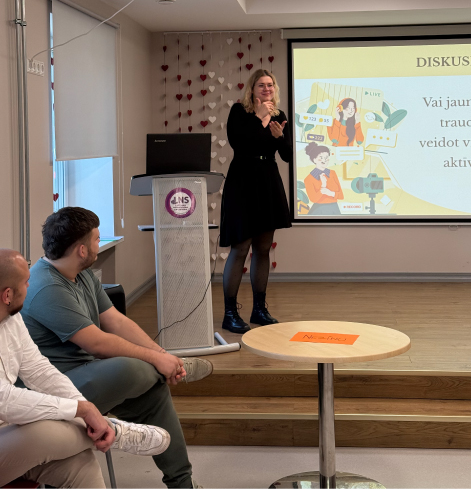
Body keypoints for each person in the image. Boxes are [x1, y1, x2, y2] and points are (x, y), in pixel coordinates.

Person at [21, 207, 212, 489]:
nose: (99, 244)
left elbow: (116, 321)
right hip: (55, 388)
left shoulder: (82, 274)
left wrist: (161, 355)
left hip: (87, 372)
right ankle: (174, 368)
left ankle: (182, 484)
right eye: (97, 239)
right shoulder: (46, 286)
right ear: (82, 250)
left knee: (154, 392)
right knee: (133, 368)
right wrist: (157, 360)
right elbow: (97, 343)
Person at [0, 248, 170, 488]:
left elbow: (39, 370)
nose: (30, 286)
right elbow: (4, 400)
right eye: (26, 282)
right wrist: (81, 410)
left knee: (82, 463)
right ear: (7, 294)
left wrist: (85, 408)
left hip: (7, 432)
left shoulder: (11, 317)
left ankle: (105, 428)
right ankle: (114, 431)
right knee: (44, 433)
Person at [220, 68, 292, 334]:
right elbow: (239, 143)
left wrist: (279, 137)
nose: (267, 89)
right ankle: (230, 314)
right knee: (241, 247)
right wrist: (260, 117)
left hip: (268, 182)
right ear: (252, 89)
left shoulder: (280, 116)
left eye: (270, 85)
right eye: (261, 85)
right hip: (242, 182)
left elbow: (287, 156)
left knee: (263, 248)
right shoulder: (240, 112)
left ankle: (259, 310)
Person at [304, 143, 344, 216]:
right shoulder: (308, 179)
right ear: (314, 159)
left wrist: (330, 193)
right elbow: (313, 199)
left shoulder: (332, 173)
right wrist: (323, 186)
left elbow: (341, 196)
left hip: (334, 208)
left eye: (326, 157)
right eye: (321, 157)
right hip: (319, 210)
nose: (324, 160)